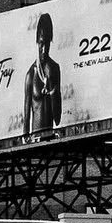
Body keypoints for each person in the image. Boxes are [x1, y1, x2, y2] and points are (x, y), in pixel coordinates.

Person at [21, 11, 64, 139]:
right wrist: (25, 141)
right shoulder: (30, 74)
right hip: (35, 141)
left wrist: (51, 87)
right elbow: (27, 114)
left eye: (47, 44)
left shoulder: (54, 69)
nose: (44, 49)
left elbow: (57, 118)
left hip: (50, 138)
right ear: (37, 43)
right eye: (41, 44)